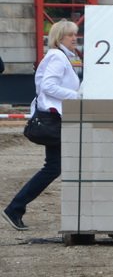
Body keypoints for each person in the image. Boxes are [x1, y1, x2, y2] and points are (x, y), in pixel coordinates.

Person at [3, 20, 81, 231]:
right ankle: (15, 208)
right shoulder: (57, 57)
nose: (75, 38)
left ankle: (15, 208)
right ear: (60, 37)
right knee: (54, 167)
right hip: (54, 119)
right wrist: (76, 96)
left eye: (76, 34)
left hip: (56, 118)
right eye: (70, 35)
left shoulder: (63, 57)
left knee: (54, 167)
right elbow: (48, 85)